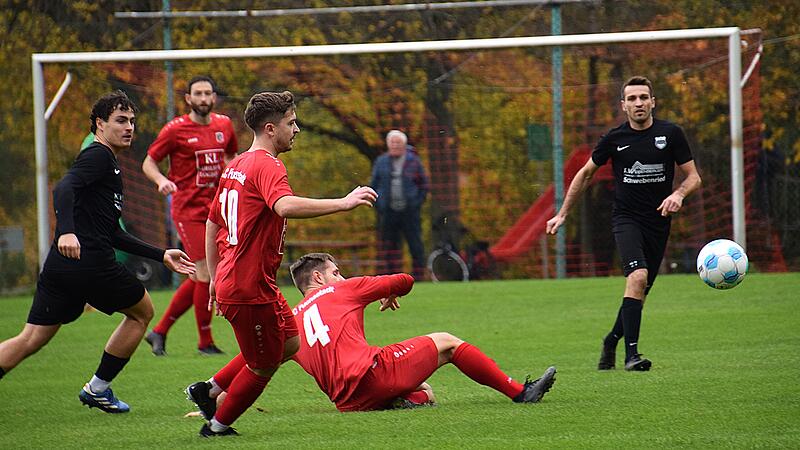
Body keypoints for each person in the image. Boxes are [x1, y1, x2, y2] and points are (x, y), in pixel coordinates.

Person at [185, 91, 378, 437]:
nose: (297, 129)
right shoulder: (267, 165)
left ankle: (210, 390)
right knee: (263, 364)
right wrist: (344, 202)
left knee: (290, 342)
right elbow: (285, 206)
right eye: (292, 123)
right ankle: (217, 426)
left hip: (249, 281)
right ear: (271, 129)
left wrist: (214, 276)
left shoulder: (237, 165)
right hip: (247, 287)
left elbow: (213, 221)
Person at [0, 91, 196, 413]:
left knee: (30, 339)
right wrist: (67, 230)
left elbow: (114, 233)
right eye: (120, 120)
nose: (129, 127)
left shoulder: (109, 164)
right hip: (90, 262)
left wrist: (161, 254)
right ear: (99, 125)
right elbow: (63, 187)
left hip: (61, 267)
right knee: (142, 312)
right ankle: (98, 389)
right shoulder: (98, 156)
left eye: (132, 121)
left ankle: (98, 389)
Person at [185, 252, 556, 419]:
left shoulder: (292, 322)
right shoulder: (344, 290)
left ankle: (401, 401)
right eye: (336, 271)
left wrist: (215, 387)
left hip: (347, 402)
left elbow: (253, 361)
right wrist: (389, 290)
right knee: (447, 342)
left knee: (425, 393)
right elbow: (406, 280)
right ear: (319, 278)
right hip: (371, 374)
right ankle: (520, 393)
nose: (341, 277)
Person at [545, 76, 702, 371]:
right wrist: (562, 213)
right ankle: (632, 356)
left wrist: (678, 194)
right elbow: (585, 173)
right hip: (626, 220)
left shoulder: (671, 133)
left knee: (640, 289)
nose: (638, 103)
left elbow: (694, 177)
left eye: (643, 97)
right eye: (632, 99)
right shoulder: (615, 139)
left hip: (659, 223)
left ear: (653, 102)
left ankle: (611, 340)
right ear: (623, 106)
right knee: (638, 277)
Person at [142, 75, 238, 356]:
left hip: (217, 208)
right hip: (188, 209)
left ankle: (158, 332)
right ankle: (205, 342)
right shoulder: (175, 130)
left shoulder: (224, 124)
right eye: (198, 93)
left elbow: (231, 156)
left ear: (214, 97)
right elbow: (148, 162)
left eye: (208, 93)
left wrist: (235, 179)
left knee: (198, 275)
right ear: (188, 99)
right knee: (205, 272)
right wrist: (161, 181)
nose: (204, 98)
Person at [371, 130, 429, 280]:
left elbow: (423, 185)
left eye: (398, 143)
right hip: (388, 212)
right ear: (388, 144)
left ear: (404, 145)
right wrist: (380, 205)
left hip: (410, 212)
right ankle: (392, 278)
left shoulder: (414, 161)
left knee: (415, 244)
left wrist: (416, 203)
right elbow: (374, 185)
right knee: (390, 247)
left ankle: (418, 278)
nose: (395, 145)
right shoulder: (381, 162)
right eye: (392, 143)